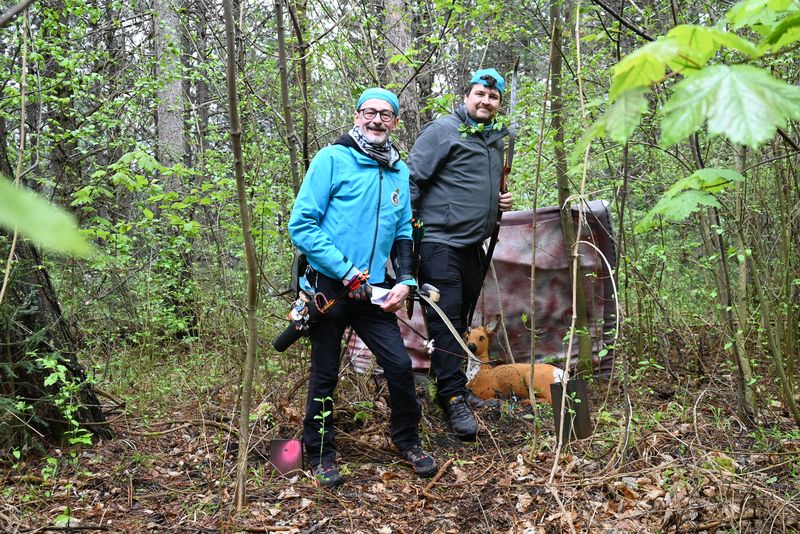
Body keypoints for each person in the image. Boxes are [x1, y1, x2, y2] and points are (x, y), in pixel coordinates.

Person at [288, 88, 437, 488]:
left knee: (400, 366)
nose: (376, 120)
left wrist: (406, 279)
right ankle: (321, 453)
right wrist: (346, 270)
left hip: (374, 290)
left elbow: (403, 231)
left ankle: (407, 440)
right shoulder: (331, 159)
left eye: (385, 115)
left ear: (395, 122)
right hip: (329, 287)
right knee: (324, 373)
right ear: (356, 116)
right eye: (369, 112)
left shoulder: (398, 171)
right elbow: (301, 224)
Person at [407, 68, 514, 440]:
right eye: (479, 94)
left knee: (462, 318)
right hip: (438, 242)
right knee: (446, 319)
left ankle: (451, 384)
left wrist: (497, 201)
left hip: (472, 244)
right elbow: (412, 180)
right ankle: (452, 397)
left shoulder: (495, 139)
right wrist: (408, 237)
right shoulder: (442, 131)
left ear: (499, 103)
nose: (486, 101)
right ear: (466, 96)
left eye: (493, 96)